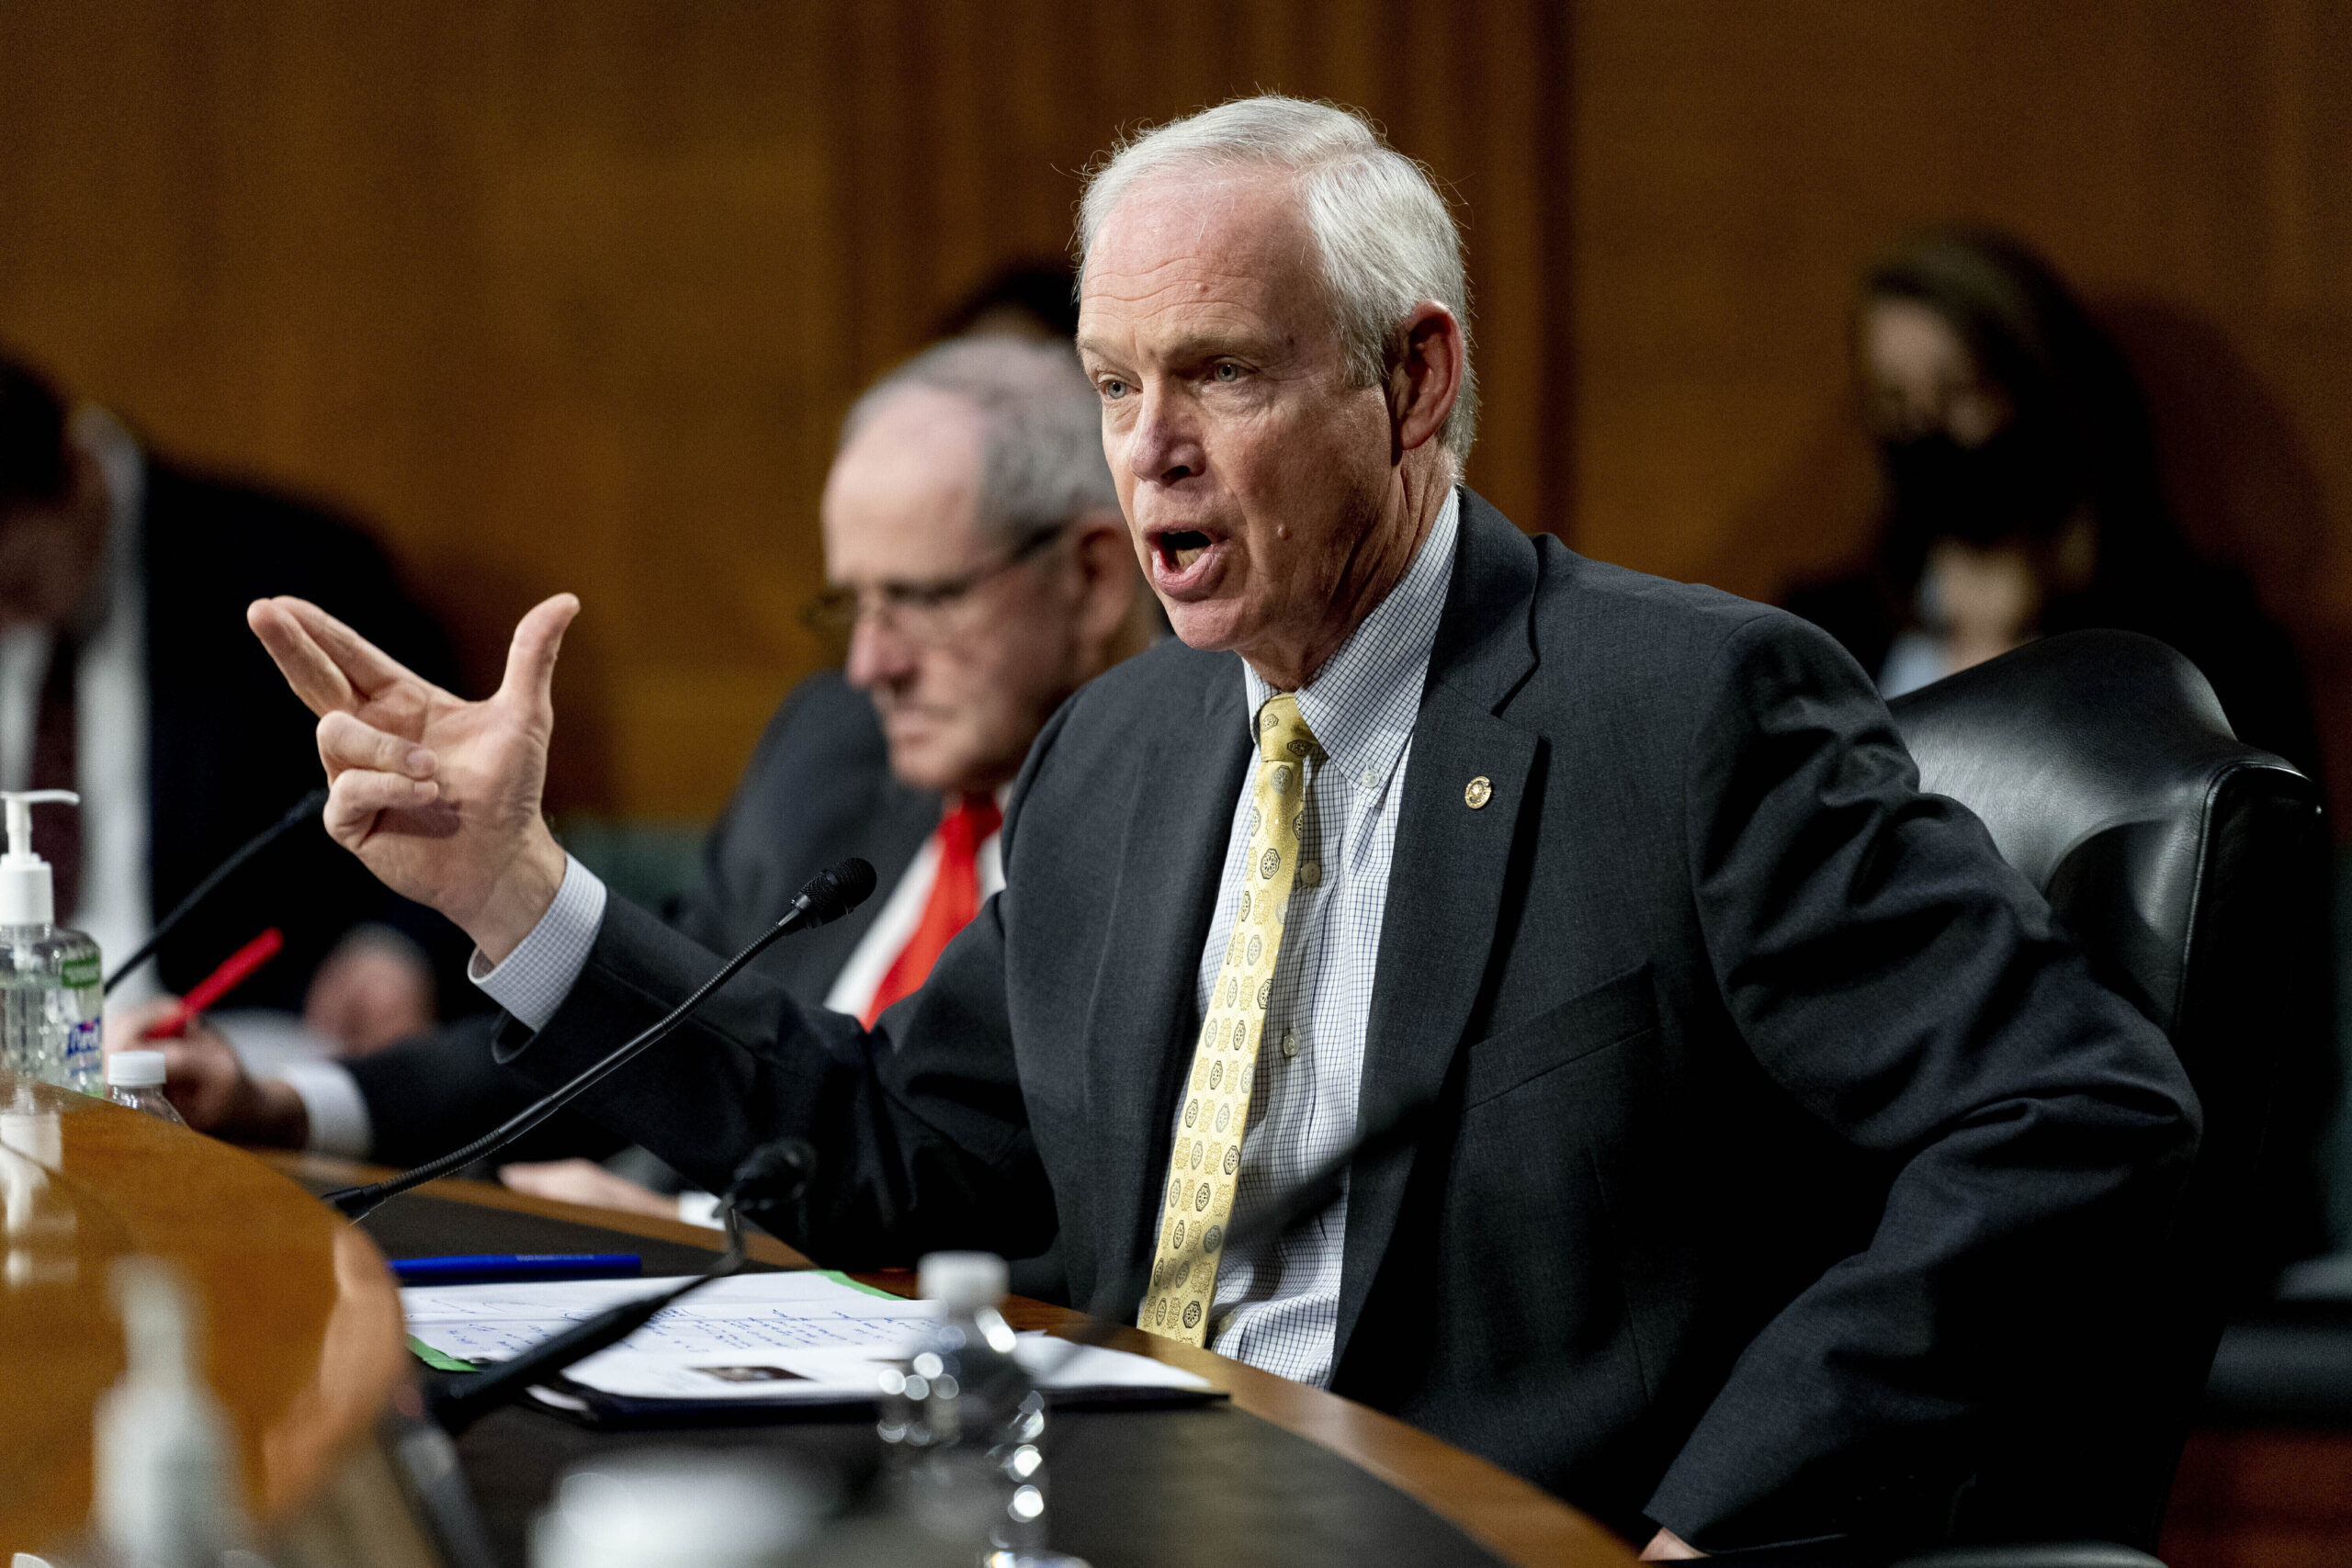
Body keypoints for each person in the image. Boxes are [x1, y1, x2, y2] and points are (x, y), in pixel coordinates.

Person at [244, 100, 2199, 1557]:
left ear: (1408, 377)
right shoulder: (1121, 749)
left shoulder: (1682, 714)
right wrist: (518, 889)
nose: (1148, 448)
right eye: (1112, 383)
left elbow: (2063, 1116)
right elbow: (898, 1149)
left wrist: (1715, 1521)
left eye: (1219, 375)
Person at [131, 336, 1158, 1225]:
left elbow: (1004, 1196)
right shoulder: (832, 753)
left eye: (922, 601)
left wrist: (701, 1237)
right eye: (856, 607)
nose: (870, 664)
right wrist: (287, 1106)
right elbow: (643, 1034)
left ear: (1093, 578)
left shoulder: (1179, 837)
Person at [0, 352, 467, 1049]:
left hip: (224, 1044)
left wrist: (396, 949)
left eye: (19, 586)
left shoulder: (294, 572)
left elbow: (450, 789)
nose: (8, 626)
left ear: (78, 476)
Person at [1785, 227, 2323, 781]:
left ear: (2040, 391)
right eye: (1894, 400)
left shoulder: (2201, 643)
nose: (1924, 428)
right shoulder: (1820, 639)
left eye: (1960, 391)